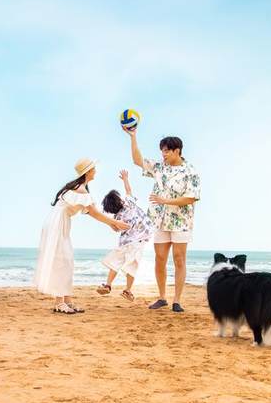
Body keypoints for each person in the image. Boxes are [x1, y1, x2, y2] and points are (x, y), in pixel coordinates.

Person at [34, 158, 130, 314]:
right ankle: (59, 303)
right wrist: (115, 222)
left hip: (59, 223)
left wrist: (111, 224)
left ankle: (67, 301)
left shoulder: (80, 188)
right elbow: (94, 212)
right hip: (56, 225)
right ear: (88, 172)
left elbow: (91, 213)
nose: (96, 171)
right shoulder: (80, 190)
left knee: (67, 261)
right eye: (94, 169)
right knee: (62, 262)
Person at [125, 127, 201, 312]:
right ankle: (162, 297)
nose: (163, 154)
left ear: (177, 151)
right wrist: (133, 136)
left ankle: (177, 300)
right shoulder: (159, 167)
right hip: (159, 220)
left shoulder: (190, 171)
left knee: (179, 259)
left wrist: (165, 201)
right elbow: (137, 160)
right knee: (160, 258)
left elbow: (191, 198)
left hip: (181, 222)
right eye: (162, 151)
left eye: (166, 151)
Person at [96, 169, 154, 302]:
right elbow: (128, 190)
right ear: (120, 200)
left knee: (115, 263)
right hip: (138, 242)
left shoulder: (117, 217)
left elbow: (116, 229)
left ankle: (108, 285)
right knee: (132, 266)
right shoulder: (129, 203)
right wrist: (125, 179)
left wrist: (112, 224)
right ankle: (127, 290)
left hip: (124, 243)